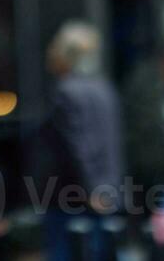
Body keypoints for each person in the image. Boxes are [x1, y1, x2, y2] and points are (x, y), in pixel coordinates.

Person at [37, 20, 126, 261]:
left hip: (74, 199)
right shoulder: (105, 88)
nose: (50, 53)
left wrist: (92, 188)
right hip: (104, 192)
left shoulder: (68, 91)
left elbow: (79, 145)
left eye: (55, 47)